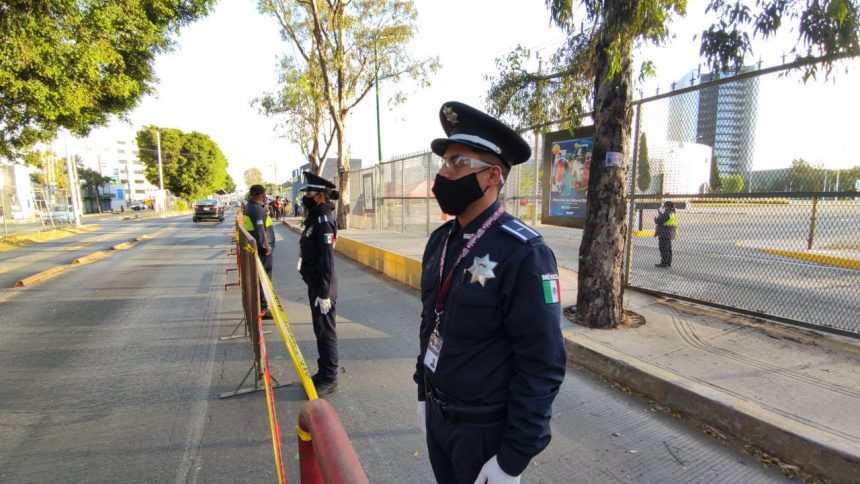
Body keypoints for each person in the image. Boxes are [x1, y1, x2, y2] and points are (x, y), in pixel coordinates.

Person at [414, 101, 566, 484]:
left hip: (484, 437)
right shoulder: (440, 242)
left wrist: (512, 458)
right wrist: (423, 394)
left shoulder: (524, 252)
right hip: (438, 420)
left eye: (457, 163)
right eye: (444, 163)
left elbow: (542, 364)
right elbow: (429, 323)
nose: (444, 174)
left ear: (493, 175)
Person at [298, 172, 341, 396]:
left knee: (326, 332)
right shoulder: (316, 217)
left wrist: (324, 293)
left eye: (310, 193)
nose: (306, 196)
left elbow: (327, 260)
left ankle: (330, 377)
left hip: (323, 287)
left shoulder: (324, 222)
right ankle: (323, 371)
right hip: (316, 284)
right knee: (319, 330)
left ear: (321, 196)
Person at [244, 184, 275, 319]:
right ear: (261, 195)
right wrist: (266, 248)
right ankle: (263, 308)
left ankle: (261, 306)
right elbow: (260, 230)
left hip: (257, 250)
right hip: (262, 251)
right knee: (264, 279)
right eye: (263, 195)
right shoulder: (256, 210)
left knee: (261, 279)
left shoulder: (250, 207)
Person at [654, 200, 679, 268]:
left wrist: (656, 218)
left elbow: (659, 221)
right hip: (670, 233)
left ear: (667, 206)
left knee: (663, 248)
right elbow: (666, 220)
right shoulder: (673, 213)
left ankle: (664, 263)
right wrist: (661, 215)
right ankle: (668, 262)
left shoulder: (667, 213)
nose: (664, 207)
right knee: (668, 249)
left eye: (664, 206)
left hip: (664, 233)